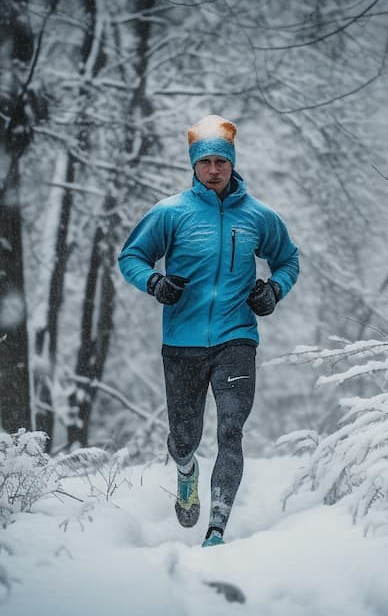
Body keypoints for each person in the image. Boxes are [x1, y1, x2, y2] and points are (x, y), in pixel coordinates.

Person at [118, 114, 299, 547]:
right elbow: (131, 257)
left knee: (230, 430)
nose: (214, 169)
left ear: (232, 164)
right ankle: (185, 470)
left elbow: (289, 260)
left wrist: (273, 289)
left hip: (237, 338)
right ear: (194, 166)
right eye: (206, 162)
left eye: (221, 161)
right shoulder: (170, 213)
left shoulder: (259, 216)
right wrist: (155, 283)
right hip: (181, 343)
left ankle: (217, 525)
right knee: (185, 437)